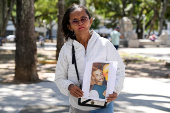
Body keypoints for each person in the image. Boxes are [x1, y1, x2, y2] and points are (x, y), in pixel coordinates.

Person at [55, 4, 125, 113]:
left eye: (84, 18)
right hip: (78, 107)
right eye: (75, 21)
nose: (80, 23)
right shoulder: (66, 49)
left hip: (104, 107)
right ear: (69, 26)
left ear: (90, 21)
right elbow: (59, 77)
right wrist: (69, 86)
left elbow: (119, 70)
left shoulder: (105, 44)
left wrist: (115, 90)